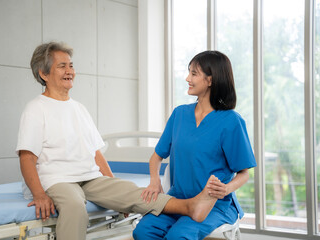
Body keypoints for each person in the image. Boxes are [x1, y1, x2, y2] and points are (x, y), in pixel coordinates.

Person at [16, 42, 221, 240]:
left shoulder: (79, 109)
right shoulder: (36, 109)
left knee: (132, 192)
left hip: (89, 177)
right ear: (44, 74)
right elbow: (26, 157)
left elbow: (96, 153)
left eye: (71, 65)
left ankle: (189, 206)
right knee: (74, 206)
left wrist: (114, 188)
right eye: (62, 66)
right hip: (58, 179)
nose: (70, 70)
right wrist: (39, 194)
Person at [133, 50, 257, 239]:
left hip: (215, 205)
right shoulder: (179, 114)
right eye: (188, 72)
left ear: (210, 80)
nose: (187, 78)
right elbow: (157, 156)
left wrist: (226, 189)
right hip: (178, 200)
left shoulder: (231, 121)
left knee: (178, 236)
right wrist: (154, 181)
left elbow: (244, 173)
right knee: (143, 231)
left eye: (193, 73)